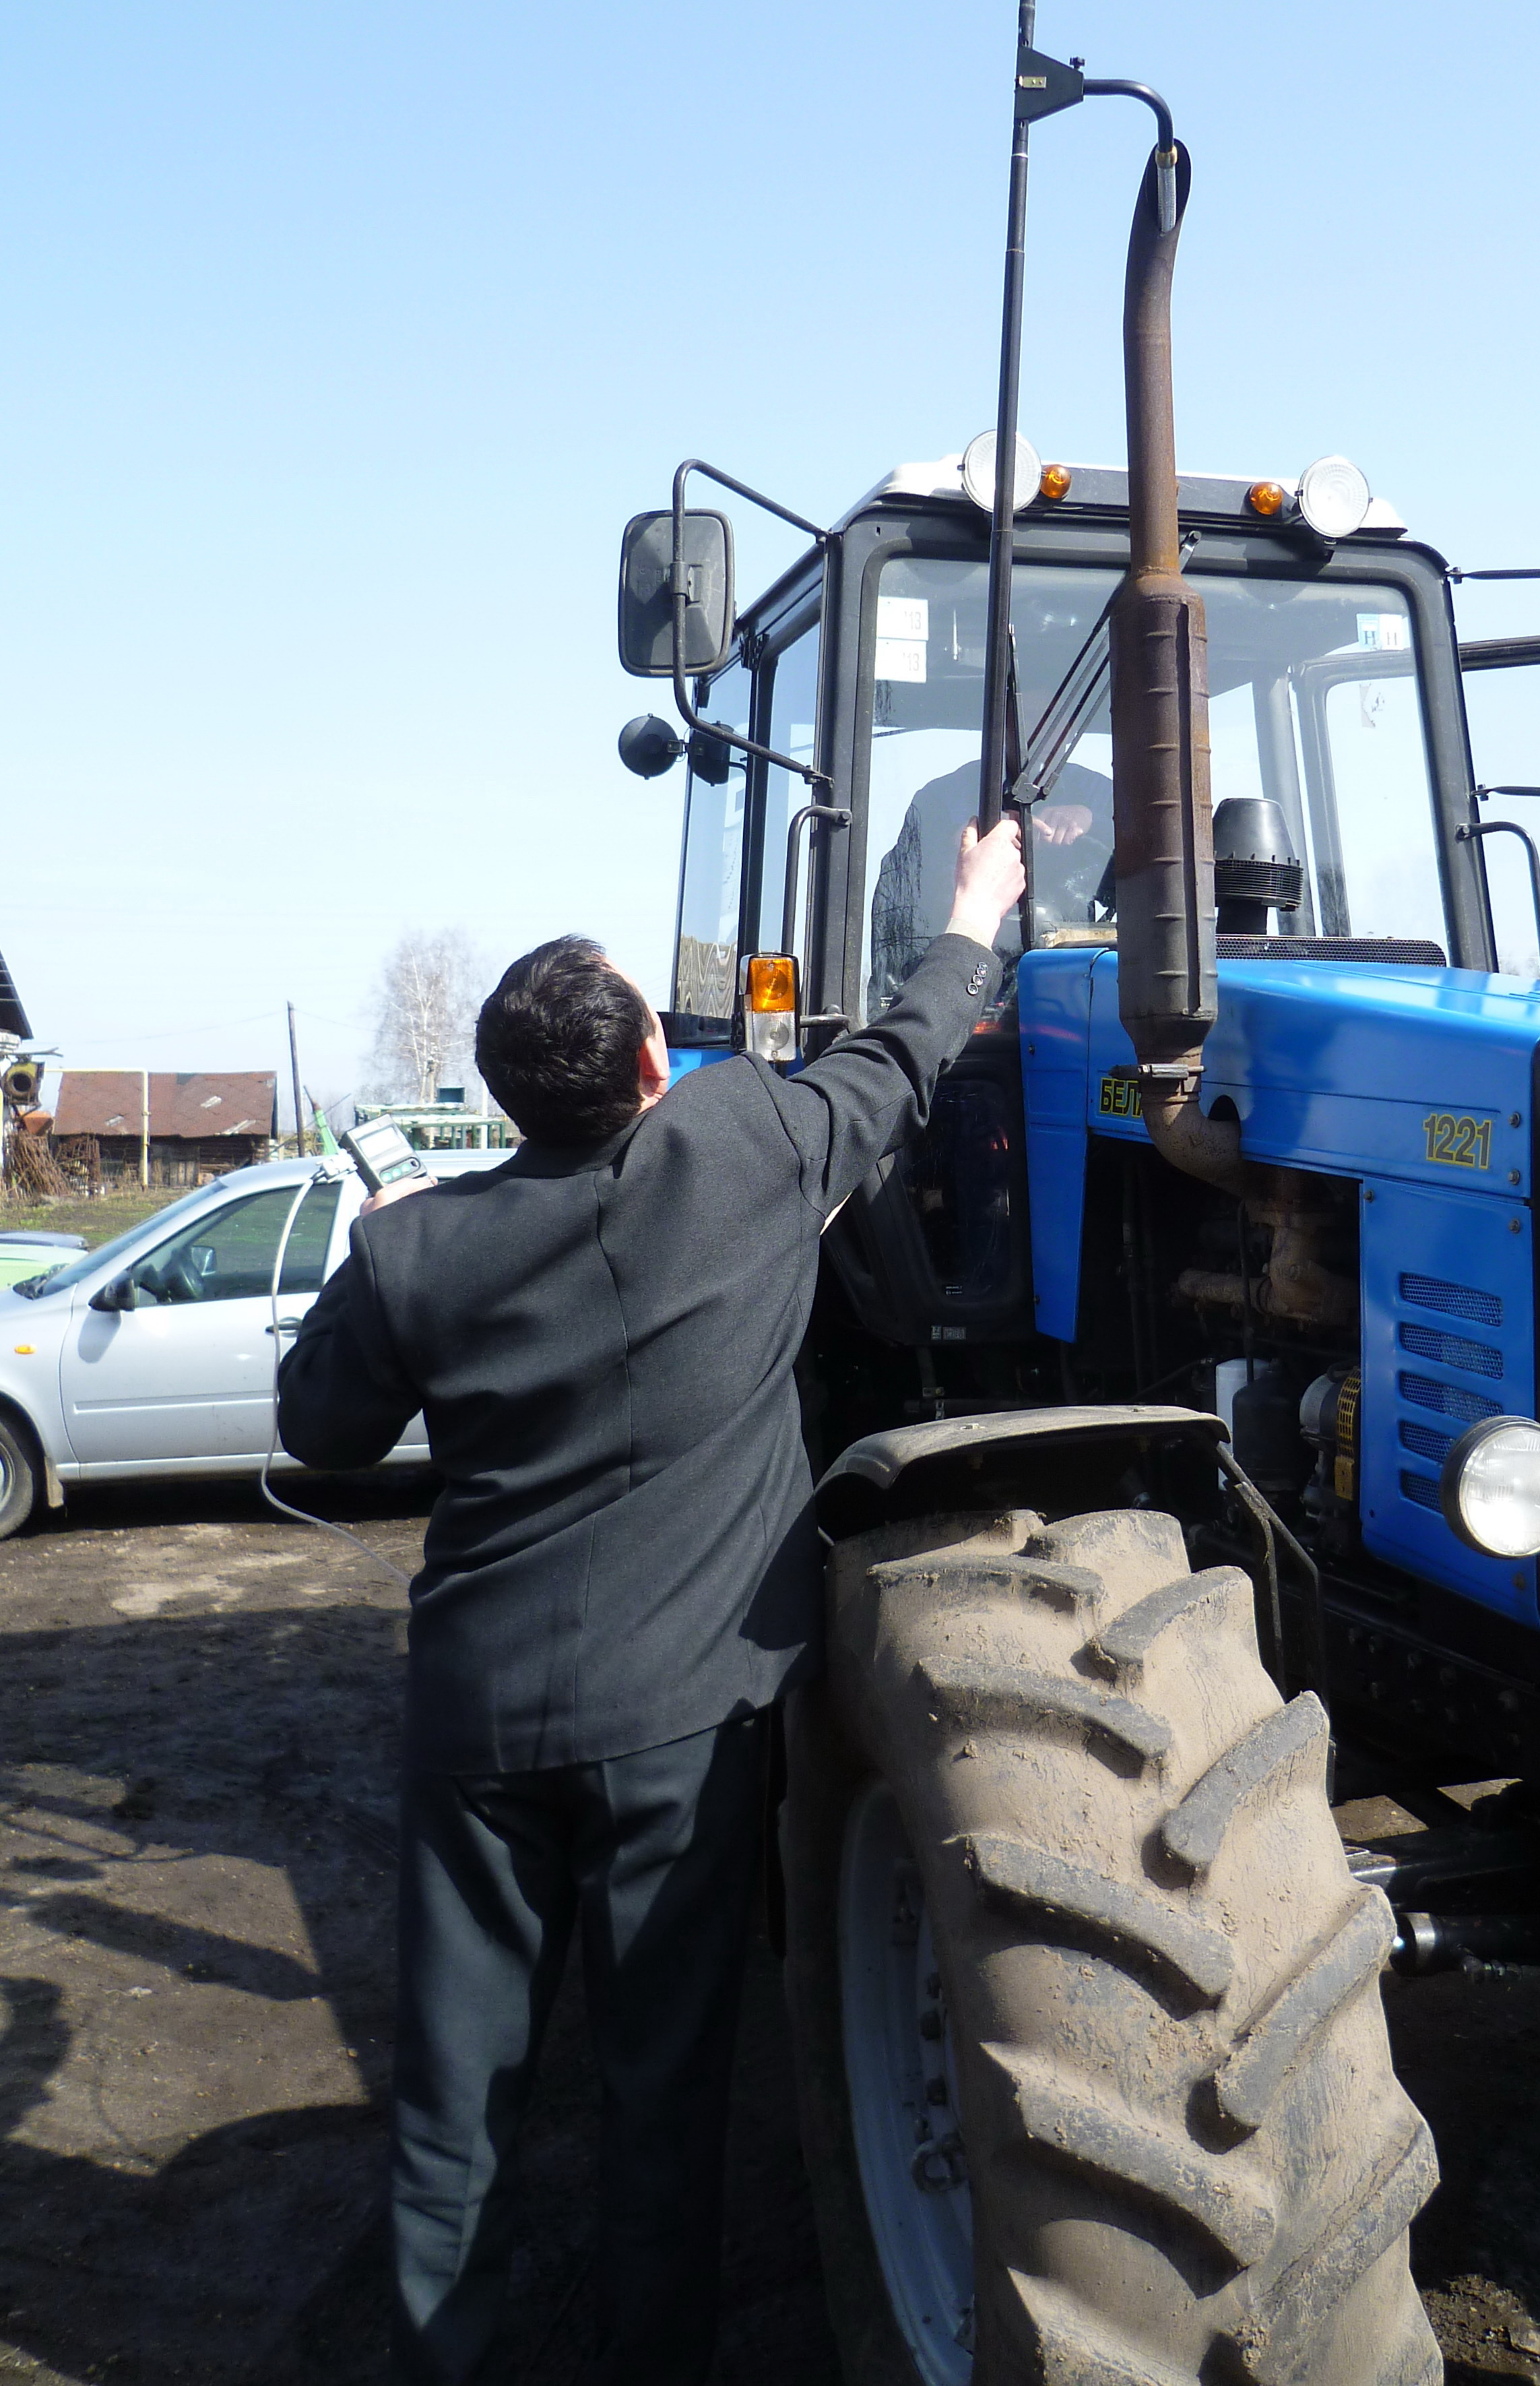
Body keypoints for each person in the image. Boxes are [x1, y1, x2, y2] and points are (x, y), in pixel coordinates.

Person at [278, 815, 1027, 2386]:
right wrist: (972, 912)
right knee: (659, 2096)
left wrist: (370, 1263)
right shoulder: (745, 1145)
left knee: (452, 2105)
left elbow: (317, 1431)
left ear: (506, 1094)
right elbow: (904, 1054)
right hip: (682, 1731)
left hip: (477, 1730)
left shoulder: (420, 1248)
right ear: (646, 1075)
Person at [869, 759, 1112, 1003]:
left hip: (1082, 990)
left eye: (1055, 720)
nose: (1036, 723)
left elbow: (1138, 891)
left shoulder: (1105, 797)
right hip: (956, 985)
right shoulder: (942, 798)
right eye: (1023, 719)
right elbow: (901, 895)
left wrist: (1096, 824)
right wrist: (959, 844)